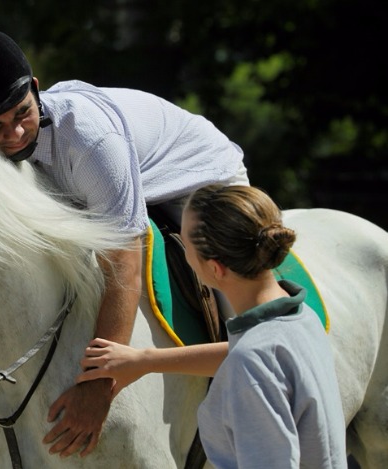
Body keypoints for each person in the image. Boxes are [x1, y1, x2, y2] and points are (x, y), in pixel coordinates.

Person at [0, 28, 249, 458]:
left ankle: (255, 397)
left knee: (234, 299)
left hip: (199, 180)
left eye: (22, 114)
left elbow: (123, 257)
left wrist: (99, 387)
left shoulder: (88, 137)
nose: (14, 135)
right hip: (121, 181)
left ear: (34, 89)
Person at [78, 184, 347, 468]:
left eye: (186, 246)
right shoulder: (300, 319)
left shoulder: (251, 364)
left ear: (215, 269)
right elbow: (250, 356)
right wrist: (145, 360)